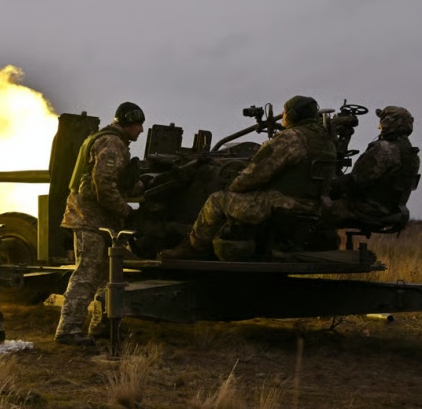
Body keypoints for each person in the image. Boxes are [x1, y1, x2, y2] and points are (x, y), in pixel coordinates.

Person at [161, 95, 337, 260]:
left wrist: (232, 188)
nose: (282, 115)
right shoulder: (326, 141)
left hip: (283, 204)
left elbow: (255, 174)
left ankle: (192, 249)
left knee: (217, 201)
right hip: (313, 207)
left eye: (285, 111)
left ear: (292, 115)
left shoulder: (290, 138)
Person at [54, 101, 145, 347]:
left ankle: (101, 327)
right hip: (89, 219)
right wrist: (127, 211)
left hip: (99, 221)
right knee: (87, 274)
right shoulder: (112, 143)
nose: (141, 130)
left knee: (106, 276)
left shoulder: (109, 140)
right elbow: (103, 186)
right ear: (127, 123)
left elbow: (114, 181)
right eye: (138, 125)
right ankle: (69, 329)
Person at [329, 106, 420, 229]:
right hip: (389, 210)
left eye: (381, 122)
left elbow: (355, 181)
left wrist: (328, 188)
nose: (379, 127)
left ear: (388, 123)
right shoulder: (412, 155)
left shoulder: (384, 149)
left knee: (314, 210)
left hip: (366, 210)